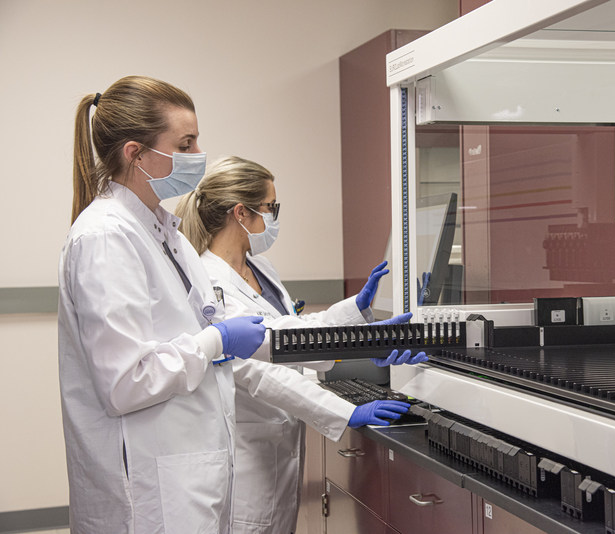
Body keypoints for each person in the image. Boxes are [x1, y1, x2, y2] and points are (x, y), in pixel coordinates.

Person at [59, 76, 270, 533]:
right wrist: (215, 342)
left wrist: (348, 335)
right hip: (149, 487)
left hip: (186, 472)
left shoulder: (163, 231)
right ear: (135, 153)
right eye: (185, 144)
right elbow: (126, 381)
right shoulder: (106, 237)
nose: (199, 155)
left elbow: (207, 323)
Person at [176, 155, 427, 534]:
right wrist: (344, 412)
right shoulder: (210, 285)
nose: (274, 218)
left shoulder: (261, 268)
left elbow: (290, 332)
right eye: (271, 208)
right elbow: (258, 372)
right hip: (248, 450)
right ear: (241, 213)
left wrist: (358, 324)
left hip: (281, 442)